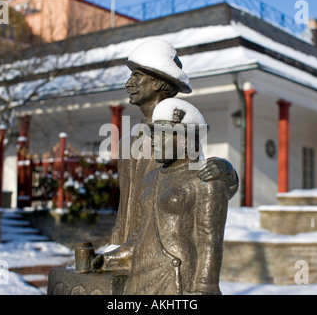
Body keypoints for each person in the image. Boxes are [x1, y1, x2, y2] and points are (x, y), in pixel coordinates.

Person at [109, 39, 239, 248]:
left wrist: (227, 174)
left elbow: (201, 184)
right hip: (124, 249)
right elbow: (124, 206)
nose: (128, 84)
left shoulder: (179, 136)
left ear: (159, 82)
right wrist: (115, 246)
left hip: (162, 253)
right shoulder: (128, 142)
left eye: (137, 75)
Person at [95, 98, 232, 295]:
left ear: (185, 140)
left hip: (177, 277)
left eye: (161, 137)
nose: (153, 143)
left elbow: (210, 239)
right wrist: (107, 260)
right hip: (141, 276)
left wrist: (205, 287)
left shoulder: (205, 179)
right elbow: (141, 238)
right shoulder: (151, 179)